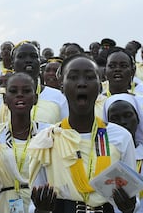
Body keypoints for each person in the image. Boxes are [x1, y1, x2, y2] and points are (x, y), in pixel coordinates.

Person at [29, 54, 137, 213]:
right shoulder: (45, 140)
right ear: (62, 87)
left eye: (89, 77)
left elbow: (132, 199)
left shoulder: (120, 137)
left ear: (100, 86)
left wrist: (129, 207)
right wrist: (42, 209)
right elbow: (34, 204)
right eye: (72, 77)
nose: (81, 83)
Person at [0, 72, 50, 213]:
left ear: (35, 98)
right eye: (13, 91)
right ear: (5, 99)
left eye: (26, 91)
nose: (20, 95)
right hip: (2, 206)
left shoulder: (48, 134)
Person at [0, 41, 68, 127]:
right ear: (12, 63)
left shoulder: (59, 97)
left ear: (40, 62)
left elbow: (67, 133)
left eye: (33, 56)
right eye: (21, 56)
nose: (28, 60)